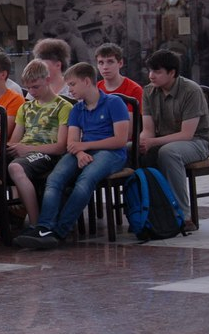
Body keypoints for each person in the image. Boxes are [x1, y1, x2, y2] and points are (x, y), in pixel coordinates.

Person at [14, 62, 131, 250]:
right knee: (55, 178)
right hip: (83, 151)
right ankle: (44, 227)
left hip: (111, 153)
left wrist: (85, 146)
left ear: (87, 81)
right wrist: (80, 152)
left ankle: (59, 231)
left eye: (72, 84)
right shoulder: (77, 109)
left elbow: (120, 140)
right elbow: (72, 141)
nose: (69, 89)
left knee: (85, 180)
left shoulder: (114, 102)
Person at [140, 49, 209, 228]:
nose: (151, 76)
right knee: (129, 149)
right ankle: (144, 212)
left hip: (197, 141)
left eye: (157, 71)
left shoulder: (191, 90)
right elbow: (148, 130)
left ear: (172, 73)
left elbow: (186, 134)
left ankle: (182, 215)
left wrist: (153, 142)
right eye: (150, 71)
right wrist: (142, 142)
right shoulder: (148, 91)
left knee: (169, 153)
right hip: (162, 140)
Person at [6, 60, 72, 228]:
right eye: (28, 88)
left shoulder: (63, 106)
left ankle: (35, 224)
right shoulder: (25, 108)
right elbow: (14, 140)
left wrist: (27, 149)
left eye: (36, 87)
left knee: (15, 167)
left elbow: (61, 147)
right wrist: (13, 148)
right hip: (25, 151)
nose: (32, 92)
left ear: (47, 80)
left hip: (48, 154)